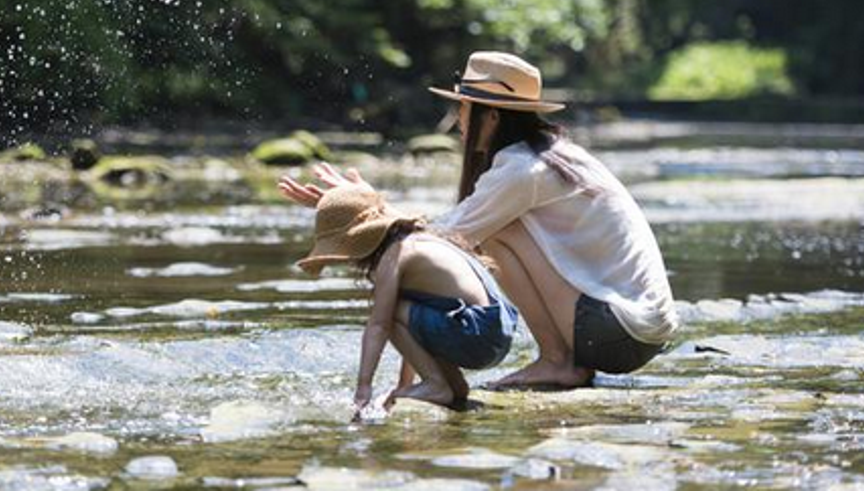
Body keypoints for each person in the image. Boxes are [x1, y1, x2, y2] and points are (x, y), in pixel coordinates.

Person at [280, 51, 679, 389]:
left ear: (491, 117)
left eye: (464, 109)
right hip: (635, 329)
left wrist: (364, 210)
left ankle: (557, 361)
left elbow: (441, 238)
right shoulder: (554, 154)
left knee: (498, 231)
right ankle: (558, 359)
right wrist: (365, 207)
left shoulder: (523, 170)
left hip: (616, 332)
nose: (458, 122)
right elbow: (442, 230)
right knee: (488, 230)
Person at [296, 184, 517, 414]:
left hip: (476, 333)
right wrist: (405, 386)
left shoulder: (395, 255)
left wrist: (363, 389)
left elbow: (380, 325)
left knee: (390, 311)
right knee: (411, 313)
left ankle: (435, 384)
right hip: (495, 331)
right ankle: (450, 386)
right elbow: (415, 330)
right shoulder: (420, 239)